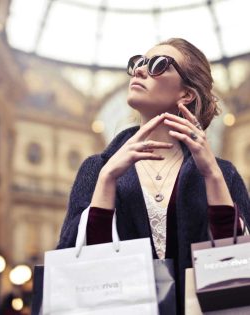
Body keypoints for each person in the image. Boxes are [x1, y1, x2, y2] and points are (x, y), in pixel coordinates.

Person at [56, 38, 250, 314]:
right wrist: (107, 179)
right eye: (137, 63)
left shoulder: (223, 173)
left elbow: (239, 268)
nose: (139, 71)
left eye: (158, 65)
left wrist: (212, 177)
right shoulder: (97, 168)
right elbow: (75, 261)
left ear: (187, 94)